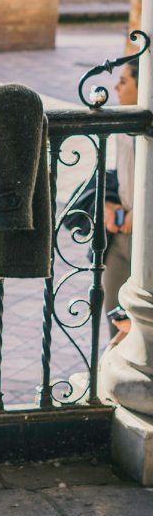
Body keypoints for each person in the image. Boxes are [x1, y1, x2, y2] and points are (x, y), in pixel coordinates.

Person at [102, 60, 138, 335]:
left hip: (145, 237)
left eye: (124, 81)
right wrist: (109, 201)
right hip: (122, 234)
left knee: (139, 320)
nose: (115, 86)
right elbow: (121, 172)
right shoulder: (123, 123)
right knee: (115, 315)